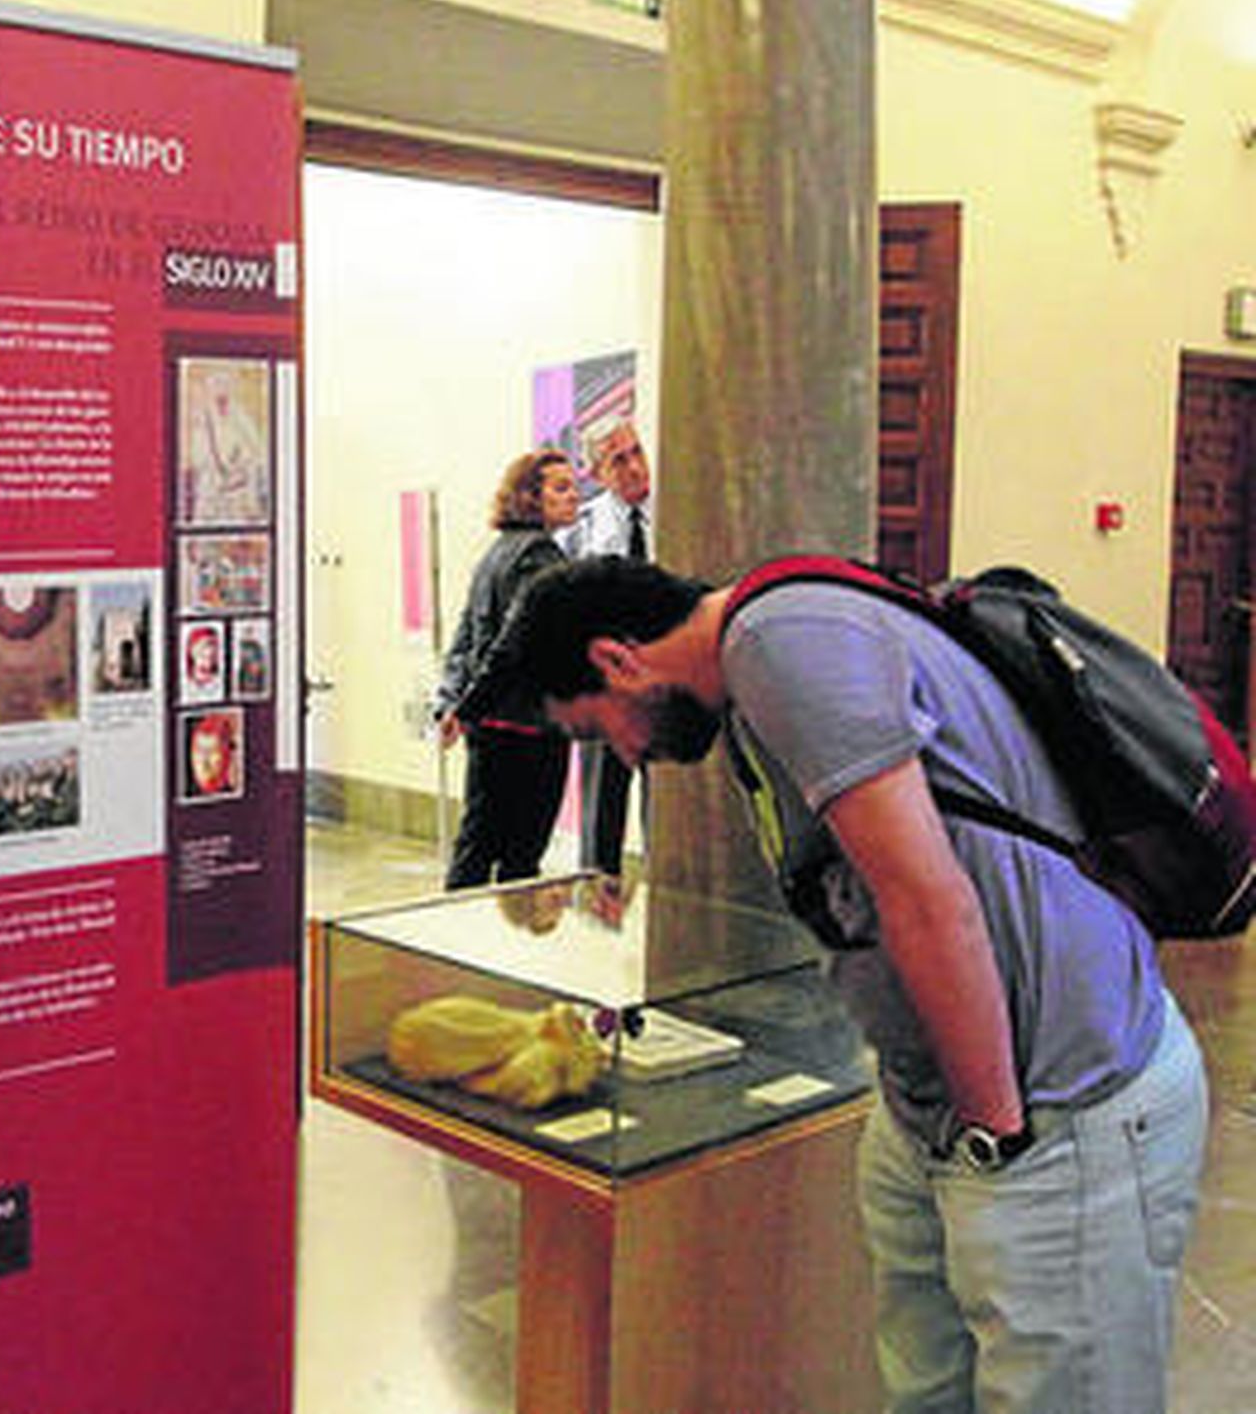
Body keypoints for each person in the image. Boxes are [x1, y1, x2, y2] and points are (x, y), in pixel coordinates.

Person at [470, 554, 1208, 1414]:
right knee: (929, 1387)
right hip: (946, 1114)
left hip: (1058, 1105)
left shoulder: (780, 643)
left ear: (617, 659)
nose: (631, 757)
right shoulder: (764, 658)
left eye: (601, 732)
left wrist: (993, 1137)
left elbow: (929, 902)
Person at [434, 448, 580, 889]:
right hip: (529, 730)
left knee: (477, 845)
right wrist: (468, 707)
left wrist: (456, 705)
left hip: (493, 728)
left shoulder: (497, 553)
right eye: (561, 488)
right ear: (530, 498)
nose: (574, 496)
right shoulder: (539, 558)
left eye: (573, 486)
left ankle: (455, 944)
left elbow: (465, 640)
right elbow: (512, 647)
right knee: (519, 859)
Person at [559, 416, 653, 876]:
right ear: (597, 474)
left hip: (667, 685)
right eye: (619, 460)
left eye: (637, 452)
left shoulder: (683, 511)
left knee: (670, 814)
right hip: (607, 688)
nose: (636, 467)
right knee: (602, 814)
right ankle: (599, 910)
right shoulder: (580, 531)